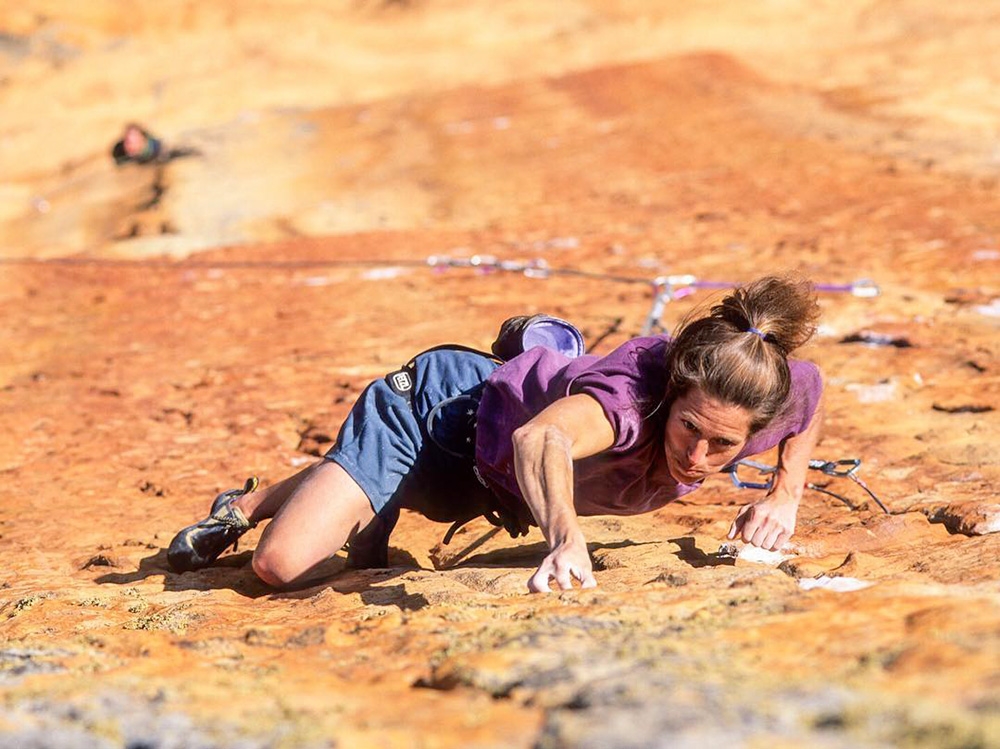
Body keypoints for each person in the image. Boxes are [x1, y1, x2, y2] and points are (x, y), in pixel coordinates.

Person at [167, 276, 823, 593]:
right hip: (438, 416)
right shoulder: (627, 405)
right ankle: (247, 506)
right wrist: (567, 537)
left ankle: (546, 351)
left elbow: (814, 393)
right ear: (672, 393)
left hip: (493, 489)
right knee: (280, 566)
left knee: (388, 509)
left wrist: (784, 493)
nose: (698, 455)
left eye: (723, 446)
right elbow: (541, 440)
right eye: (688, 428)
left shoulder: (751, 398)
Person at [111, 123, 200, 166]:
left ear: (142, 139)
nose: (129, 145)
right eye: (127, 141)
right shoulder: (126, 160)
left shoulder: (158, 149)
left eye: (133, 141)